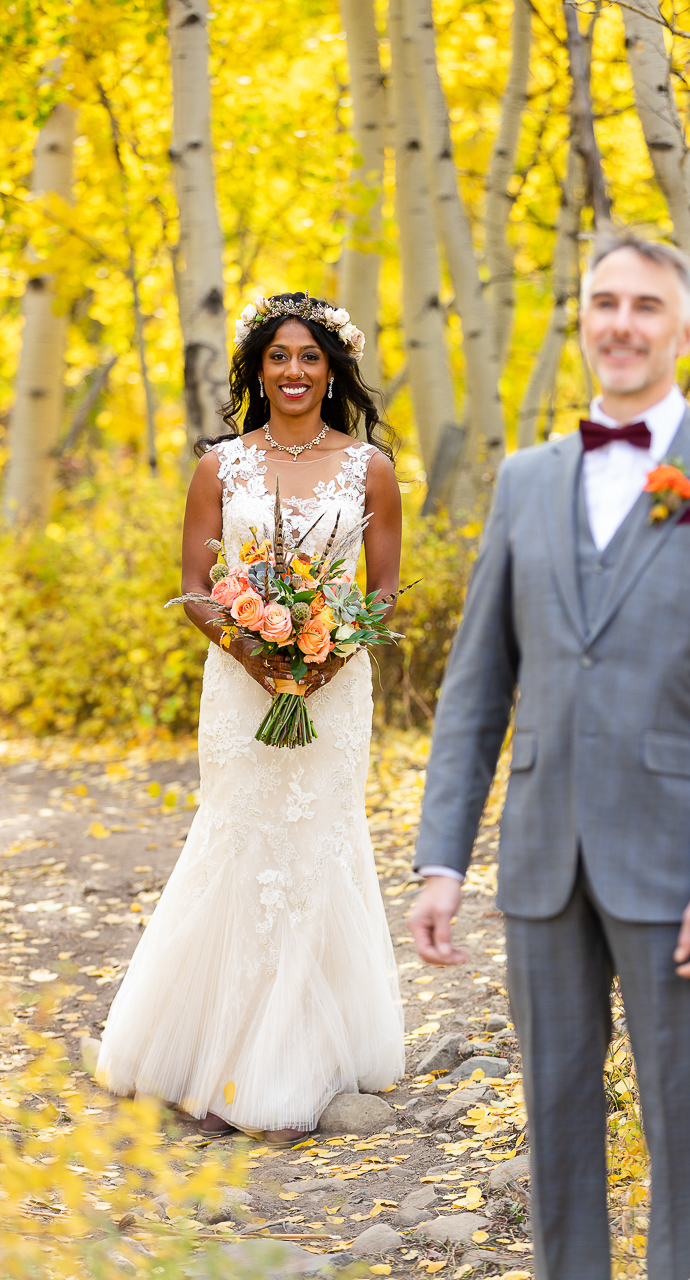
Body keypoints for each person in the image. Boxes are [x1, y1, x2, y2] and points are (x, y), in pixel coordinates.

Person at [409, 235, 690, 1280]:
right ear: (581, 318)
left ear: (685, 331)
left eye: (644, 306)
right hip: (540, 859)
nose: (619, 322)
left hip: (678, 865)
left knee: (686, 1118)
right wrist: (440, 857)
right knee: (555, 1121)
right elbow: (476, 685)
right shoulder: (524, 479)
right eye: (602, 302)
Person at [97, 292, 405, 1145]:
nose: (296, 372)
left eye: (311, 357)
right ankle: (204, 1046)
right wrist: (256, 656)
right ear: (257, 370)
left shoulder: (369, 468)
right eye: (280, 357)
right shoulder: (219, 466)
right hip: (241, 683)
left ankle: (305, 1058)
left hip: (335, 687)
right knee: (239, 833)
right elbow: (196, 585)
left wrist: (326, 658)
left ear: (333, 369)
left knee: (319, 838)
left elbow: (380, 591)